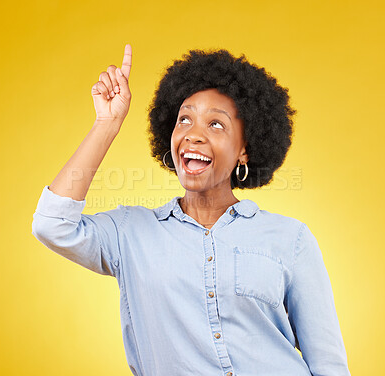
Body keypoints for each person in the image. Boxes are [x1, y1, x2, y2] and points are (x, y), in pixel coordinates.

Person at [32, 44, 351, 376]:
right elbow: (52, 224)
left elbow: (329, 365)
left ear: (244, 149)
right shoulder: (131, 232)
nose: (194, 135)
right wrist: (107, 123)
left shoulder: (290, 239)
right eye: (184, 119)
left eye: (216, 125)